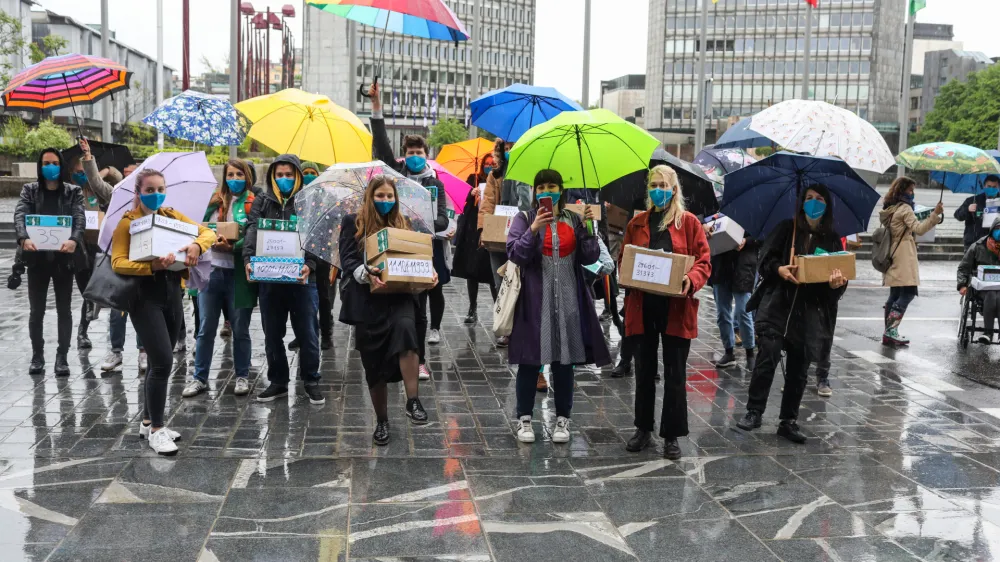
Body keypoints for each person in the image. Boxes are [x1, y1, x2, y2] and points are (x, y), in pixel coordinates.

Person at [110, 168, 216, 455]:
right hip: (145, 297)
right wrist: (151, 266)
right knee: (162, 362)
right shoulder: (127, 223)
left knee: (162, 360)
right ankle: (158, 429)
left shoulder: (172, 216)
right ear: (138, 193)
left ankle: (147, 422)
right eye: (150, 190)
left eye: (161, 189)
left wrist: (195, 244)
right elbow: (118, 262)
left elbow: (208, 232)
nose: (156, 195)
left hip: (173, 293)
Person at [735, 184, 847, 444]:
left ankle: (788, 420)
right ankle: (754, 411)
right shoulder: (787, 229)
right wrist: (779, 269)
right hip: (777, 307)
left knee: (799, 370)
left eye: (819, 199)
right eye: (809, 198)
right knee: (767, 359)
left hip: (808, 314)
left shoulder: (832, 239)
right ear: (801, 202)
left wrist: (835, 285)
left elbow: (838, 287)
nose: (814, 203)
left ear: (827, 204)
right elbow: (765, 260)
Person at [506, 169, 611, 444]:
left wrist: (589, 228)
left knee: (565, 362)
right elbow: (516, 253)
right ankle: (524, 419)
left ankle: (563, 418)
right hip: (534, 300)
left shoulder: (574, 220)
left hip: (568, 300)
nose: (546, 191)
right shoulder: (524, 218)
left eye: (552, 186)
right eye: (541, 187)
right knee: (530, 361)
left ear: (561, 190)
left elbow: (590, 256)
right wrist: (534, 229)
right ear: (534, 191)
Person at [620, 166, 711, 459]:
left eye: (664, 185)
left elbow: (704, 262)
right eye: (654, 185)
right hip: (643, 306)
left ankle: (672, 434)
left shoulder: (690, 223)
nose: (659, 189)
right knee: (644, 370)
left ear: (674, 189)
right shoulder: (637, 222)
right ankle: (643, 428)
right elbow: (625, 256)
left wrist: (690, 279)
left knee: (674, 373)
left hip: (676, 308)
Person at [338, 175, 435, 445]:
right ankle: (381, 421)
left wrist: (430, 272)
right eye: (380, 196)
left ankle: (413, 400)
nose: (385, 200)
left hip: (399, 296)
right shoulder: (352, 223)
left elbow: (419, 256)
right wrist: (364, 272)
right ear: (370, 197)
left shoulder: (405, 224)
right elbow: (347, 259)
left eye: (389, 196)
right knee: (374, 363)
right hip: (367, 301)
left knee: (407, 332)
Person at [370, 82, 448, 380]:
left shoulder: (435, 184)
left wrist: (423, 221)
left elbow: (442, 221)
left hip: (421, 249)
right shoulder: (396, 174)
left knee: (419, 306)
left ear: (426, 155)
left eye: (419, 152)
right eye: (410, 152)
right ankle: (393, 356)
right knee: (393, 303)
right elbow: (381, 145)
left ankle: (419, 361)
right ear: (404, 155)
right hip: (395, 247)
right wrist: (377, 107)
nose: (415, 156)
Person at [244, 154, 325, 404]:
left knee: (308, 333)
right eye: (279, 175)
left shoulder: (309, 202)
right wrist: (248, 259)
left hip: (302, 279)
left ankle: (311, 379)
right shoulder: (263, 200)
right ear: (272, 176)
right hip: (270, 278)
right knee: (272, 334)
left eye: (289, 175)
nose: (284, 179)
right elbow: (252, 228)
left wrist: (310, 264)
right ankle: (278, 380)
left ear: (298, 175)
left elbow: (317, 234)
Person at [182, 160, 257, 398]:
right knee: (205, 329)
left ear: (248, 177)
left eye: (239, 174)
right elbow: (194, 227)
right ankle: (199, 378)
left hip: (238, 276)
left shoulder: (253, 204)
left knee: (241, 329)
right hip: (210, 272)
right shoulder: (212, 202)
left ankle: (243, 375)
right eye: (230, 174)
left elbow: (254, 237)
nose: (234, 178)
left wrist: (233, 247)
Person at [14, 148, 87, 376]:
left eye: (55, 162)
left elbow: (79, 218)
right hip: (36, 260)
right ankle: (37, 355)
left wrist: (75, 239)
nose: (50, 167)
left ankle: (62, 356)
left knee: (64, 310)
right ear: (40, 165)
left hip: (63, 260)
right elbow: (20, 214)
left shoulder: (73, 191)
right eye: (46, 163)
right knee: (36, 312)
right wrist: (23, 237)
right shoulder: (29, 190)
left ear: (61, 165)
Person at [87, 156, 145, 374]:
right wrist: (89, 160)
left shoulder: (152, 201)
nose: (130, 178)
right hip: (119, 262)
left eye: (135, 174)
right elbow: (96, 183)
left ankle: (143, 351)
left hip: (143, 264)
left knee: (142, 310)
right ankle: (116, 351)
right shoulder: (116, 196)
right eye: (126, 173)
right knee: (117, 311)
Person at [479, 138, 533, 350]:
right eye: (507, 148)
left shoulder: (530, 173)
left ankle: (522, 325)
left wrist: (522, 181)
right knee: (500, 282)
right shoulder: (495, 174)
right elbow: (488, 203)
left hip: (522, 234)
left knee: (522, 282)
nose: (510, 151)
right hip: (498, 234)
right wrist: (483, 228)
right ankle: (506, 328)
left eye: (514, 147)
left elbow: (529, 205)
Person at [878, 177, 944, 346]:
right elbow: (919, 229)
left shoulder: (891, 208)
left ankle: (888, 332)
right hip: (904, 257)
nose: (912, 194)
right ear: (902, 191)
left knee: (895, 294)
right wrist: (935, 213)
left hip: (892, 255)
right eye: (910, 190)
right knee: (907, 293)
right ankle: (891, 331)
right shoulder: (905, 208)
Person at [70, 138, 120, 350]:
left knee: (92, 290)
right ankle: (84, 328)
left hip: (99, 247)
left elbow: (118, 179)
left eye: (85, 169)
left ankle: (83, 331)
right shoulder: (70, 191)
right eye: (77, 170)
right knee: (85, 292)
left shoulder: (96, 190)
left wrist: (104, 170)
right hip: (80, 249)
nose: (81, 173)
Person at [288, 161, 335, 351]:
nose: (309, 175)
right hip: (299, 250)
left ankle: (326, 334)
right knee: (299, 296)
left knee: (323, 297)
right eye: (305, 172)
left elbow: (333, 224)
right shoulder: (296, 197)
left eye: (312, 172)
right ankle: (301, 335)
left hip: (322, 253)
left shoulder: (328, 197)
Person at [704, 216, 758, 370]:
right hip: (721, 265)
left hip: (743, 266)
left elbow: (761, 237)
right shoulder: (717, 209)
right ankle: (729, 351)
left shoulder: (753, 211)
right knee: (722, 312)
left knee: (743, 310)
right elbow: (705, 227)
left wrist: (746, 241)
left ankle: (750, 353)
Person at [452, 178, 498, 325]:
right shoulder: (473, 179)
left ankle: (498, 310)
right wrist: (471, 195)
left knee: (492, 272)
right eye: (487, 163)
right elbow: (463, 205)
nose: (489, 166)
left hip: (491, 225)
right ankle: (472, 307)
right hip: (473, 230)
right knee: (471, 270)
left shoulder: (497, 180)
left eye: (492, 163)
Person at [958, 217, 1000, 343]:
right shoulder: (977, 246)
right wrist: (962, 284)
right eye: (998, 229)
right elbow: (963, 268)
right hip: (981, 288)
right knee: (992, 294)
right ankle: (988, 332)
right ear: (992, 230)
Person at [955, 175, 1000, 250]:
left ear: (998, 187)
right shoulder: (972, 200)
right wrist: (967, 209)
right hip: (973, 243)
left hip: (995, 244)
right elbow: (958, 215)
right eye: (989, 186)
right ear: (984, 186)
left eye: (994, 187)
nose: (991, 189)